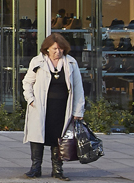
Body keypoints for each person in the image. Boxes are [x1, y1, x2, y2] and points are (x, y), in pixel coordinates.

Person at [22, 33, 86, 180]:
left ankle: (57, 169)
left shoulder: (71, 63)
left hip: (62, 107)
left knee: (59, 137)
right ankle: (35, 168)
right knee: (37, 137)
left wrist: (78, 110)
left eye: (61, 49)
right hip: (41, 106)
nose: (58, 52)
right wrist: (30, 99)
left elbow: (78, 88)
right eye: (55, 49)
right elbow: (27, 82)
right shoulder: (37, 62)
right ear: (47, 49)